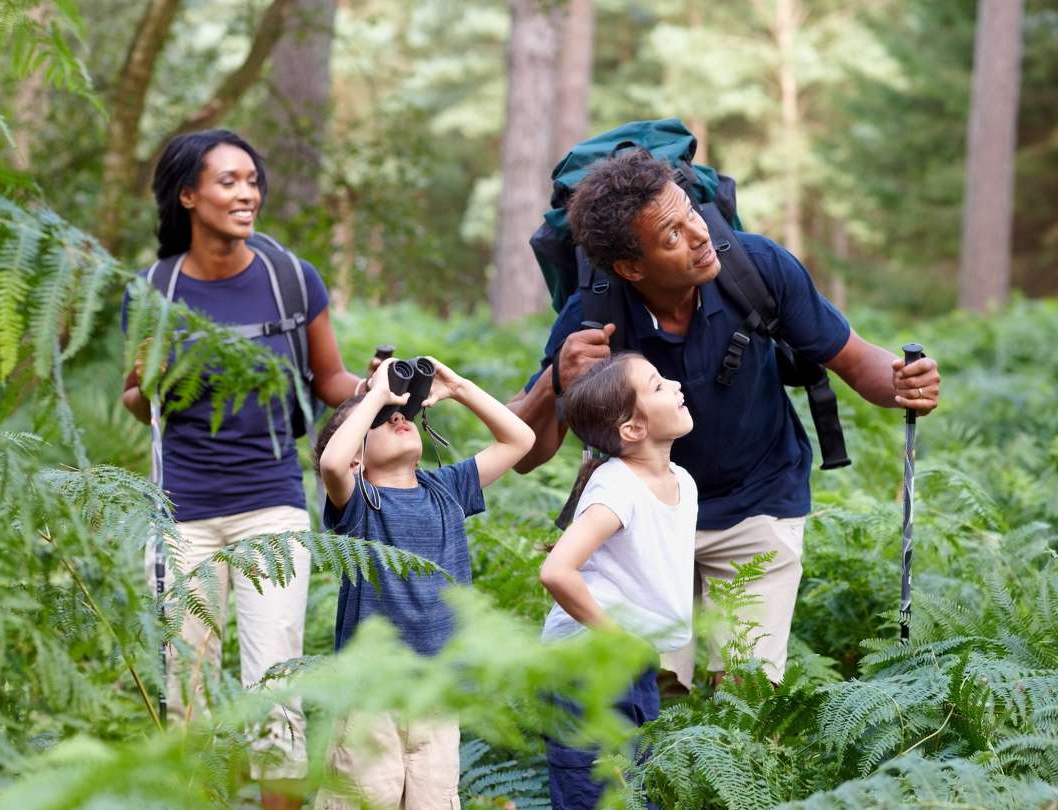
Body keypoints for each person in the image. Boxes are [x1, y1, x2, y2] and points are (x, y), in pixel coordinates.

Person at [508, 150, 942, 688]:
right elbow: (526, 455)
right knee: (648, 693)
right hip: (644, 519)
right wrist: (557, 380)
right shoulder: (592, 316)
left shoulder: (755, 267)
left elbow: (856, 361)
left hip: (758, 500)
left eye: (691, 211)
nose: (698, 234)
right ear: (630, 267)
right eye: (671, 235)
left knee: (747, 694)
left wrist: (902, 382)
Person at [119, 129, 367, 810]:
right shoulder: (153, 290)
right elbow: (139, 401)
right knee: (186, 682)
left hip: (272, 503)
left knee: (274, 682)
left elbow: (329, 379)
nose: (247, 193)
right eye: (228, 181)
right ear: (188, 195)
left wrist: (380, 388)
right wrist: (160, 382)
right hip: (181, 515)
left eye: (252, 180)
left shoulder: (292, 277)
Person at [312, 357, 535, 810]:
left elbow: (521, 439)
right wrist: (374, 394)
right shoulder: (359, 504)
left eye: (404, 414)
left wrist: (458, 387)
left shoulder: (446, 489)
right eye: (381, 421)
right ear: (358, 456)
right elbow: (332, 463)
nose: (399, 416)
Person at [538, 352, 698, 810]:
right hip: (586, 666)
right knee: (597, 797)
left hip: (633, 663)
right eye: (657, 385)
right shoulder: (617, 487)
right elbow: (556, 571)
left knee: (633, 793)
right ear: (632, 429)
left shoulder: (682, 481)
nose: (675, 383)